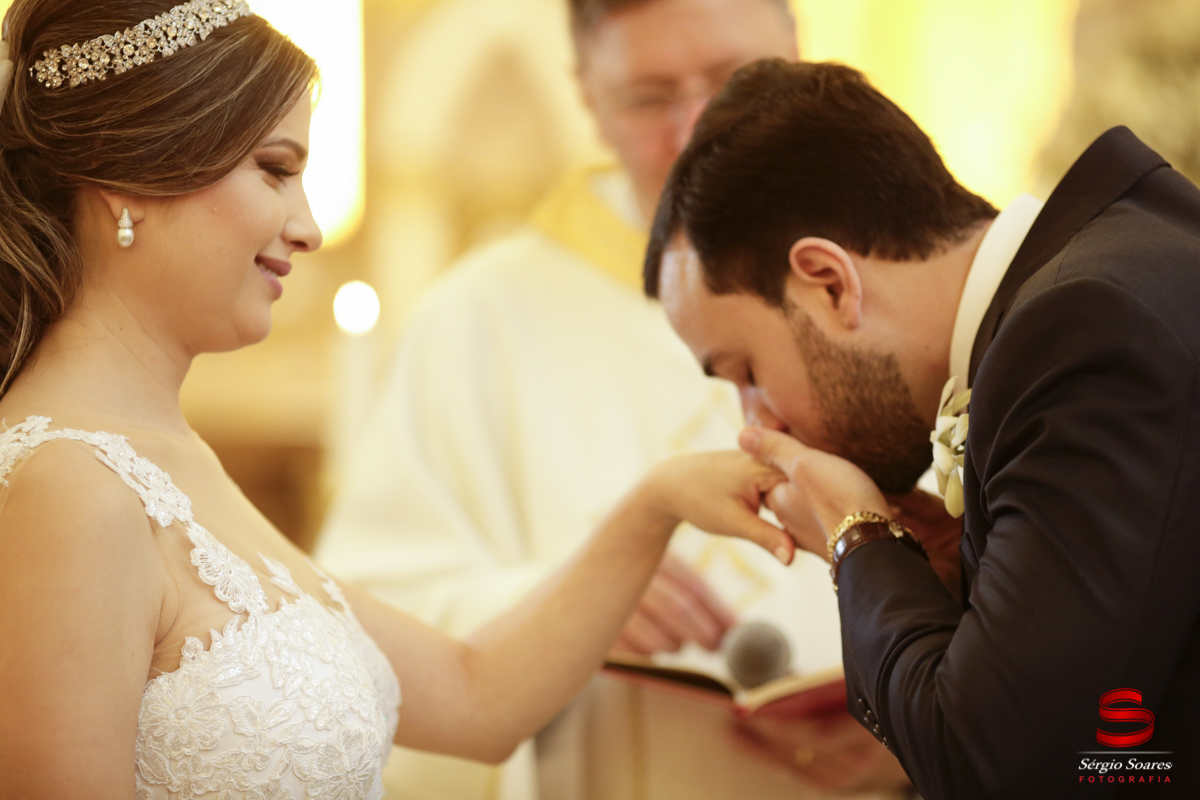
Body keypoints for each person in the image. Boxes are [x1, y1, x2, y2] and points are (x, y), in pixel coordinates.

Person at [0, 3, 803, 798]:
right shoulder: (66, 487)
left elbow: (473, 695)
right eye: (276, 171)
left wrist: (656, 504)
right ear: (129, 178)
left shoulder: (169, 457)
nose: (310, 227)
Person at [318, 1, 909, 797]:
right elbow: (359, 625)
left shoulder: (902, 280)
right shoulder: (477, 320)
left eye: (734, 82)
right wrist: (570, 599)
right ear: (588, 96)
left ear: (799, 60)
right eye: (649, 96)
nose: (699, 130)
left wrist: (923, 726)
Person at [644, 57, 1200, 798]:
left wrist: (858, 535)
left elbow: (988, 768)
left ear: (830, 282)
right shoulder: (1093, 287)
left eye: (746, 372)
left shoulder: (1084, 329)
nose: (760, 423)